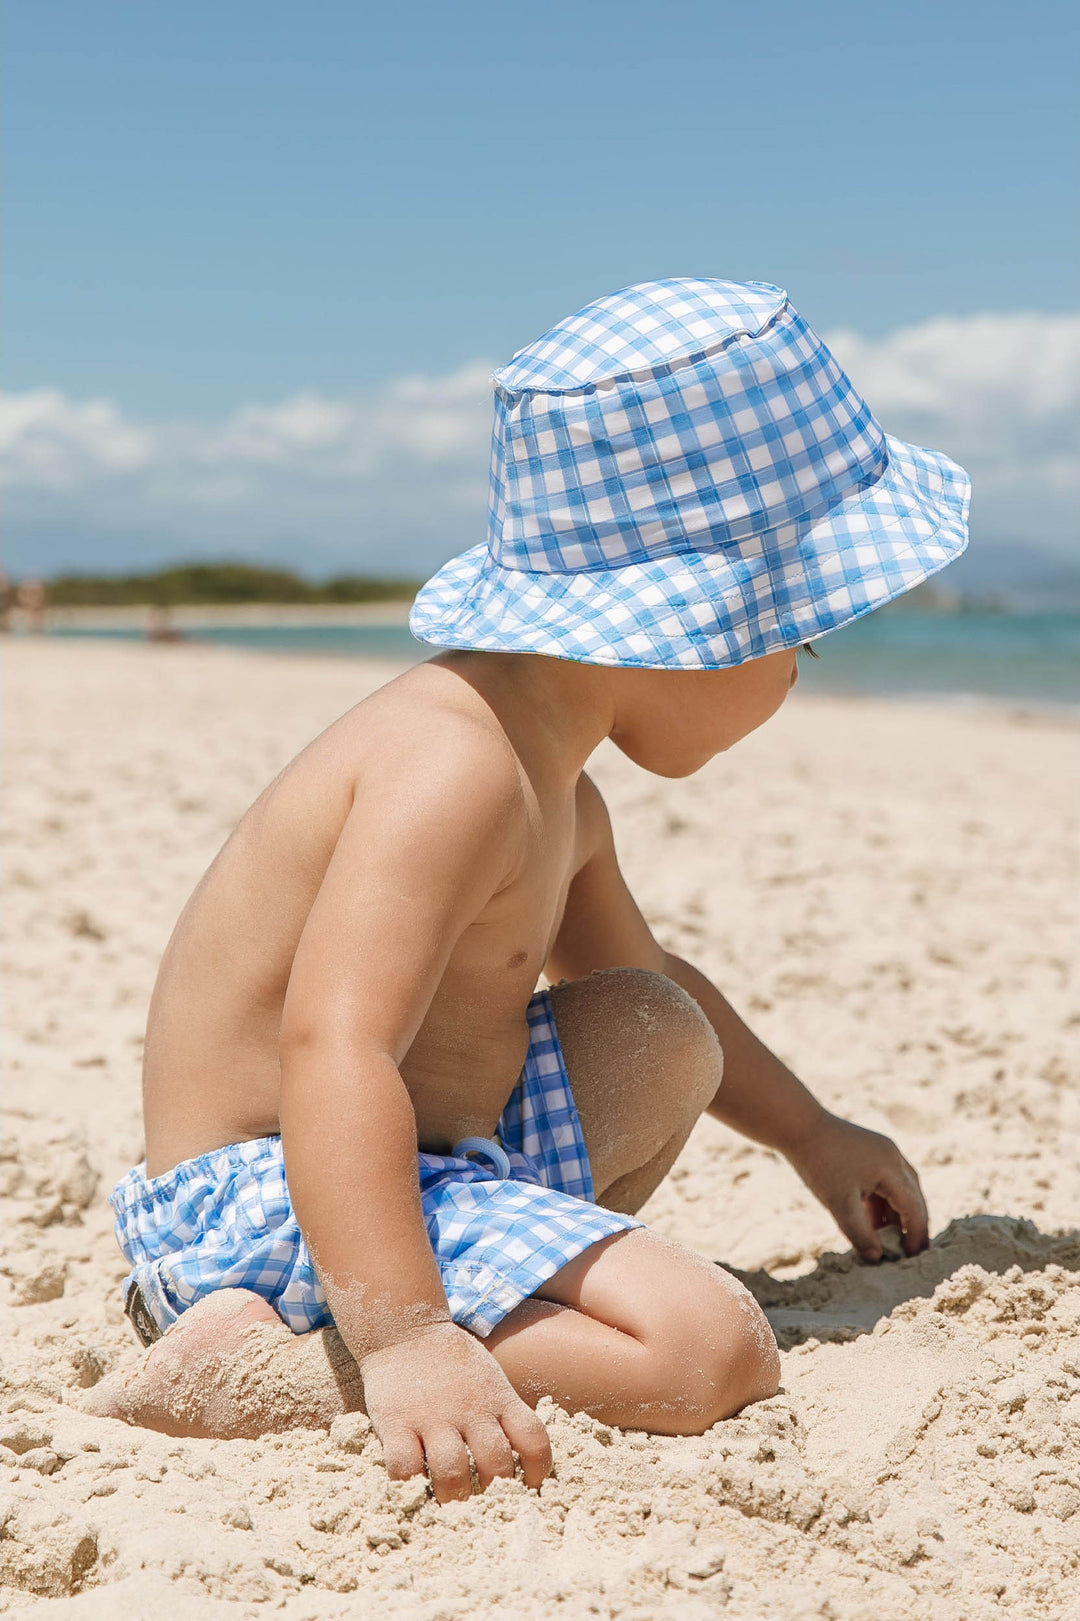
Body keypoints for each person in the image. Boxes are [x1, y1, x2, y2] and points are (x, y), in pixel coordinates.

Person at [85, 279, 970, 1503]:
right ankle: (271, 1367)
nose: (795, 675)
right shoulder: (457, 767)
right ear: (701, 612)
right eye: (800, 638)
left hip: (418, 1158)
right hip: (278, 1190)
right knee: (708, 1349)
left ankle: (460, 1297)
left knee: (659, 1029)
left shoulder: (556, 783)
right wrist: (404, 1337)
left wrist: (814, 1135)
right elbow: (333, 1043)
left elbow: (655, 994)